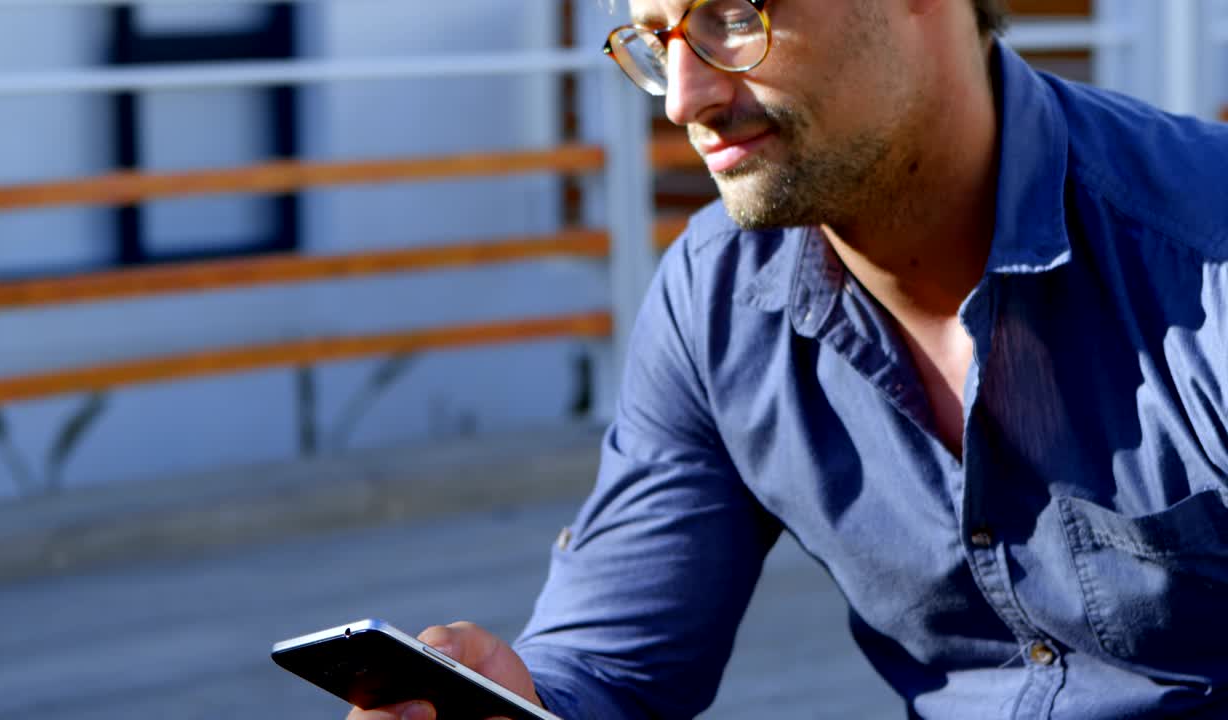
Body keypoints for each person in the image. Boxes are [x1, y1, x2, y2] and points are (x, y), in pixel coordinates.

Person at [354, 0, 1228, 717]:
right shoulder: (717, 295)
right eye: (657, 41)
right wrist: (517, 703)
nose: (683, 100)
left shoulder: (1201, 255)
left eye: (734, 17)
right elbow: (613, 661)